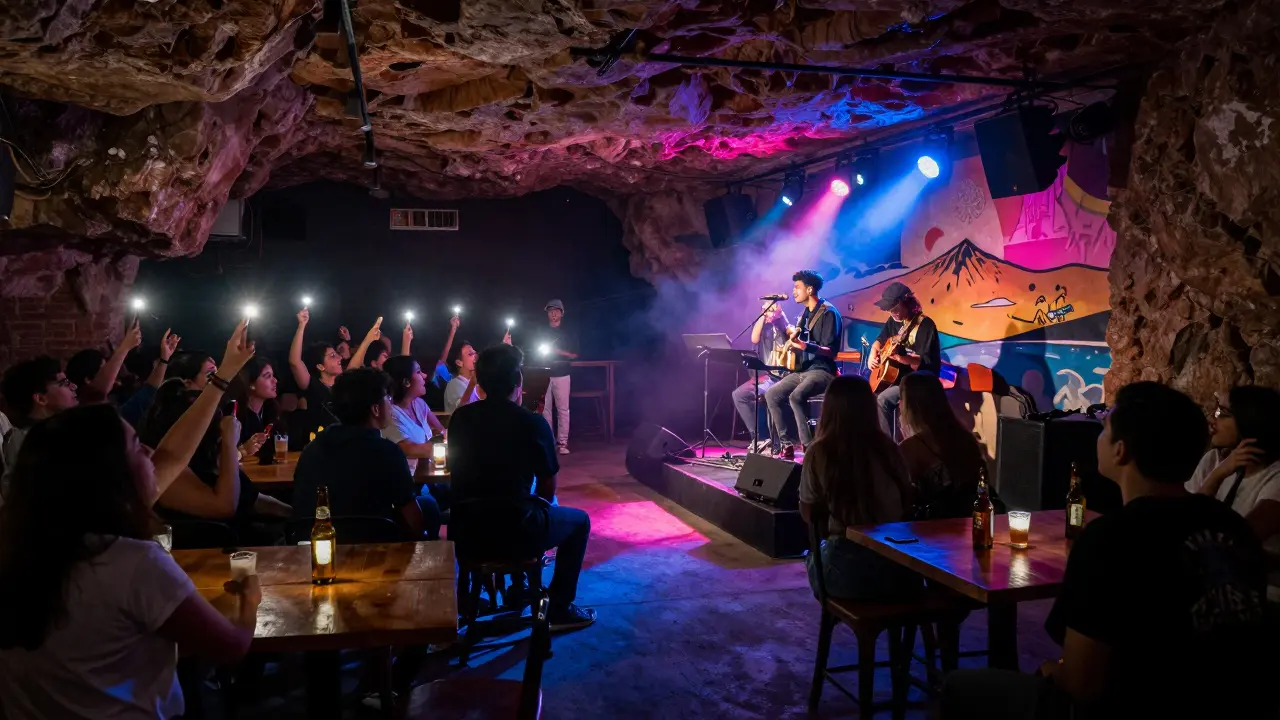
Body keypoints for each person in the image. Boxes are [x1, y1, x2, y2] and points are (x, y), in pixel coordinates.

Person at [942, 382, 1273, 720]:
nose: (1098, 435)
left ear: (1121, 451)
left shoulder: (1110, 538)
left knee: (957, 688)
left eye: (1105, 428)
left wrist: (1050, 671)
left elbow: (1082, 687)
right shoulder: (1234, 529)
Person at [0, 321, 261, 719]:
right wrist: (247, 598)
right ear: (110, 474)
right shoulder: (131, 564)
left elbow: (172, 457)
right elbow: (230, 647)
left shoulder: (16, 551)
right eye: (137, 446)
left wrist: (222, 377)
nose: (149, 454)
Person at [448, 343, 595, 630]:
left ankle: (518, 586)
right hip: (518, 532)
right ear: (518, 382)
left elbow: (458, 473)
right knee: (580, 521)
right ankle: (559, 607)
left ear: (481, 382)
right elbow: (548, 486)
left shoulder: (461, 419)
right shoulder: (533, 422)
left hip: (467, 533)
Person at [797, 375, 920, 600]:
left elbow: (809, 514)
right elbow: (907, 501)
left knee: (811, 555)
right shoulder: (890, 449)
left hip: (847, 575)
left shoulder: (819, 452)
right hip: (897, 570)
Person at [140, 380, 291, 539]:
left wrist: (297, 514)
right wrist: (229, 442)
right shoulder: (164, 468)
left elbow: (253, 499)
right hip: (212, 553)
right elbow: (224, 507)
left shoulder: (208, 457)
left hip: (244, 541)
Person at [291, 368, 427, 539]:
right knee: (428, 507)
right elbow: (414, 520)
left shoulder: (312, 449)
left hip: (317, 546)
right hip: (377, 549)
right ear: (376, 409)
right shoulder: (387, 452)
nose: (391, 404)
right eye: (388, 398)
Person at [1185, 385, 1280, 604]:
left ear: (1250, 422)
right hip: (1211, 586)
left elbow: (1239, 542)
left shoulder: (1275, 477)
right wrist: (1218, 474)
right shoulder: (1213, 461)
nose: (1212, 419)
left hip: (1264, 596)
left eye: (1222, 413)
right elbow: (1185, 523)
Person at [764, 270, 843, 459]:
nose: (793, 291)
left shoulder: (829, 313)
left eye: (797, 287)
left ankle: (809, 447)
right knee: (771, 394)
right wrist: (780, 320)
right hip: (804, 370)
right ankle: (786, 445)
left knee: (795, 396)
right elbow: (794, 334)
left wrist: (804, 346)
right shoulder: (804, 314)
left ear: (810, 289)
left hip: (823, 371)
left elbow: (830, 351)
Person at [897, 371, 985, 519]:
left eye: (901, 398)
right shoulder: (965, 437)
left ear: (910, 405)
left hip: (934, 530)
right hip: (970, 524)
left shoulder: (912, 447)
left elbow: (900, 498)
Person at [381, 356, 450, 539]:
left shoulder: (419, 404)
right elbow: (409, 449)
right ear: (406, 382)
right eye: (419, 371)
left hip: (430, 477)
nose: (425, 375)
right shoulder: (389, 414)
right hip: (411, 484)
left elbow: (442, 432)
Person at [867, 281, 940, 437]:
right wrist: (872, 354)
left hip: (921, 379)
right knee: (868, 396)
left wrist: (901, 358)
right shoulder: (893, 321)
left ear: (906, 303)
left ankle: (892, 449)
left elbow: (922, 360)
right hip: (900, 379)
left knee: (883, 400)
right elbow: (879, 341)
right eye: (889, 310)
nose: (892, 313)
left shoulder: (925, 324)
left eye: (895, 309)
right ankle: (884, 445)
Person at [0, 356, 79, 498]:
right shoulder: (29, 442)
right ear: (41, 398)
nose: (73, 387)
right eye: (63, 383)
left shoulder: (58, 431)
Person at [732, 299, 789, 454]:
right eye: (764, 308)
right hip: (768, 377)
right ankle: (757, 439)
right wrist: (763, 315)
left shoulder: (784, 324)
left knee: (771, 395)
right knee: (739, 394)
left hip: (784, 376)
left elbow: (789, 332)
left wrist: (780, 314)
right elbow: (754, 338)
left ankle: (780, 443)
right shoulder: (765, 328)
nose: (767, 311)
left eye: (771, 308)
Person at [288, 308, 343, 443]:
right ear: (320, 366)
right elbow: (294, 361)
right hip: (318, 444)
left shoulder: (344, 385)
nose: (339, 357)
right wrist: (301, 326)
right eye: (332, 356)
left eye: (336, 354)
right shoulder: (312, 384)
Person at [64, 319, 143, 405]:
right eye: (103, 370)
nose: (110, 373)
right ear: (88, 379)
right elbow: (100, 390)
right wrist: (125, 347)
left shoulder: (117, 392)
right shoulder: (86, 407)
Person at [539, 299, 578, 455]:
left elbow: (575, 354)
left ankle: (563, 443)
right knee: (545, 409)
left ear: (562, 313)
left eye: (556, 310)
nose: (553, 314)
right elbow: (536, 351)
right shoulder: (541, 332)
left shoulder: (569, 333)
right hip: (545, 374)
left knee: (563, 409)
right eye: (550, 311)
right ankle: (549, 441)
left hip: (562, 374)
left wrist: (558, 353)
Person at [231, 357, 278, 463]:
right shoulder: (235, 416)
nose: (275, 380)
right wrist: (243, 450)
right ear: (251, 384)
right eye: (267, 376)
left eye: (273, 375)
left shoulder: (271, 411)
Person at [444, 341, 480, 413]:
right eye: (470, 354)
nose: (475, 355)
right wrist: (472, 383)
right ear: (459, 362)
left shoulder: (477, 382)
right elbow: (461, 410)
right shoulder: (454, 384)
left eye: (475, 352)